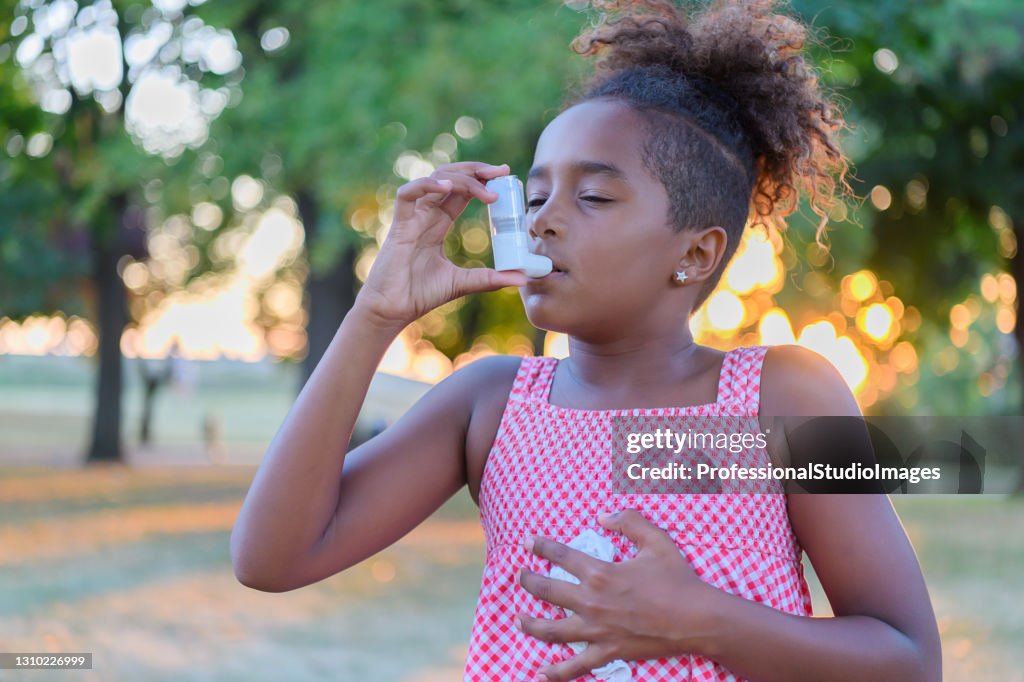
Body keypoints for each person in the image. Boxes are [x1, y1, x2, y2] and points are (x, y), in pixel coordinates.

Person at [230, 1, 942, 680]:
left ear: (695, 254)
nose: (542, 222)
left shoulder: (780, 398)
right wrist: (375, 315)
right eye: (535, 196)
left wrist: (699, 619)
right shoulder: (490, 405)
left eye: (593, 197)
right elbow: (273, 558)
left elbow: (907, 660)